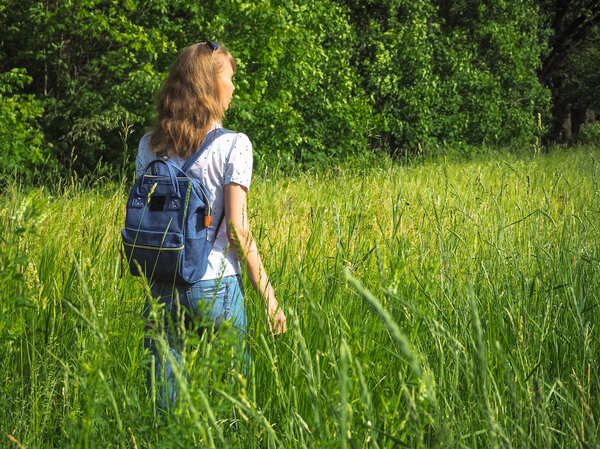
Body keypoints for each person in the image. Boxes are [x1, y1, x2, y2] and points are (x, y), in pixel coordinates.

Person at [136, 41, 286, 411]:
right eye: (229, 79)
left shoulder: (148, 145)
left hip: (161, 283)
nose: (234, 88)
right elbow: (237, 229)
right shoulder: (235, 145)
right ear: (210, 85)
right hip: (215, 283)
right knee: (231, 400)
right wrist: (269, 298)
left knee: (164, 402)